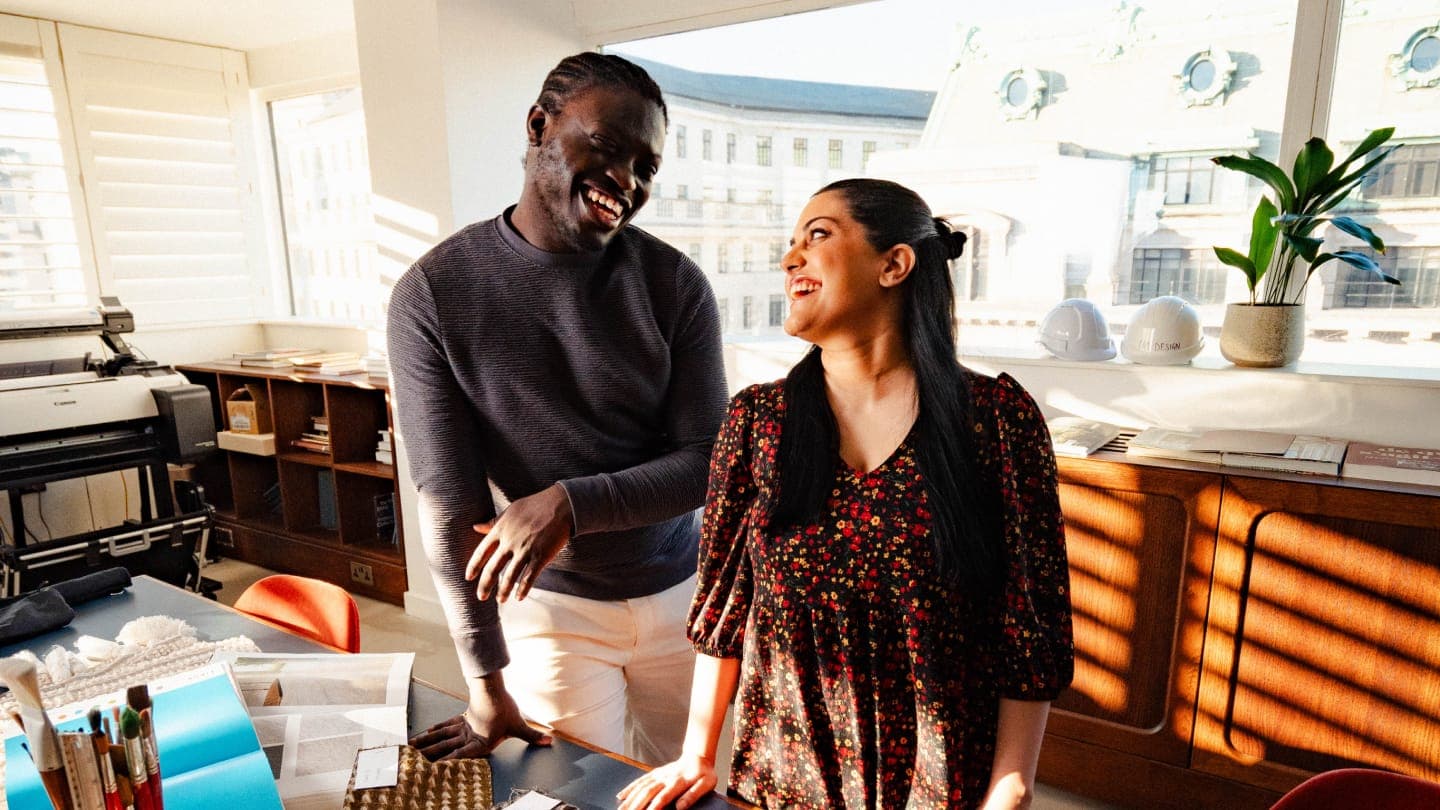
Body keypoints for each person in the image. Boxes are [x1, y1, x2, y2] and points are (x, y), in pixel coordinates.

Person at [618, 178, 1074, 809]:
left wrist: (1011, 784)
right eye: (790, 243)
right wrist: (697, 753)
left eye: (818, 235)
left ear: (895, 264)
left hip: (939, 783)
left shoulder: (996, 420)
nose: (789, 258)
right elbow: (725, 604)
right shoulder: (757, 422)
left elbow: (1030, 623)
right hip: (783, 776)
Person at [388, 52, 728, 765]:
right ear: (541, 125)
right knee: (575, 790)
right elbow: (451, 509)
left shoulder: (675, 283)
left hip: (682, 597)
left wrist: (570, 504)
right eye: (607, 148)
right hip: (554, 612)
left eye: (647, 168)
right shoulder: (434, 293)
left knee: (685, 786)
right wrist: (486, 682)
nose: (627, 182)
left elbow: (709, 463)